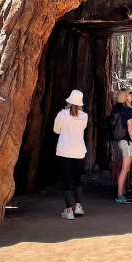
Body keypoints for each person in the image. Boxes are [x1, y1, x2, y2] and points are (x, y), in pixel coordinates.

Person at [54, 89, 88, 220]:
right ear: (80, 103)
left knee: (67, 180)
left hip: (65, 151)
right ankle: (78, 206)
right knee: (78, 179)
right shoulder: (84, 116)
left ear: (69, 101)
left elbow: (56, 130)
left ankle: (68, 210)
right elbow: (82, 129)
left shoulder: (62, 114)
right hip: (79, 151)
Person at [108, 89, 132, 204]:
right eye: (130, 95)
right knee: (125, 169)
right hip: (126, 142)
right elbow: (130, 130)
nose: (131, 97)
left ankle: (122, 192)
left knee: (121, 168)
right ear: (126, 97)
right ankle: (120, 195)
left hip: (117, 142)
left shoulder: (116, 109)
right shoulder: (128, 111)